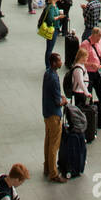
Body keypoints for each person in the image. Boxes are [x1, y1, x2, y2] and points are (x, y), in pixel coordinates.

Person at [42, 53, 67, 182]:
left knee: (48, 141)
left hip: (46, 112)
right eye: (59, 61)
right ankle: (53, 173)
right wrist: (64, 100)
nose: (61, 62)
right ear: (54, 63)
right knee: (54, 144)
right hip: (54, 114)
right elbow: (58, 101)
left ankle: (47, 166)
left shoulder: (47, 74)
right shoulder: (54, 78)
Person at [84, 28, 101, 128]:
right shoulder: (85, 45)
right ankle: (88, 116)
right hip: (89, 74)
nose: (99, 40)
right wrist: (91, 64)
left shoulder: (100, 42)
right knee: (88, 95)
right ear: (93, 35)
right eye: (98, 37)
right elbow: (81, 61)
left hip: (99, 72)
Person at [37, 0, 62, 67]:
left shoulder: (54, 6)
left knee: (50, 48)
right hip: (52, 30)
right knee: (49, 48)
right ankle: (48, 65)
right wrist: (59, 17)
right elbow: (51, 19)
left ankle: (48, 64)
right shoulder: (51, 7)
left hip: (55, 28)